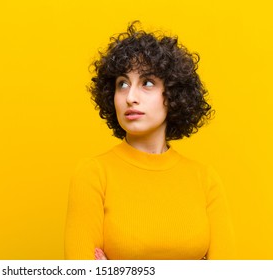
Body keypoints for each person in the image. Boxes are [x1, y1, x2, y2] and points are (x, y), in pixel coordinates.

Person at [64, 21, 235, 260]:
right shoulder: (94, 174)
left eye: (147, 83)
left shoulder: (204, 180)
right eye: (122, 84)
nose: (130, 97)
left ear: (173, 94)